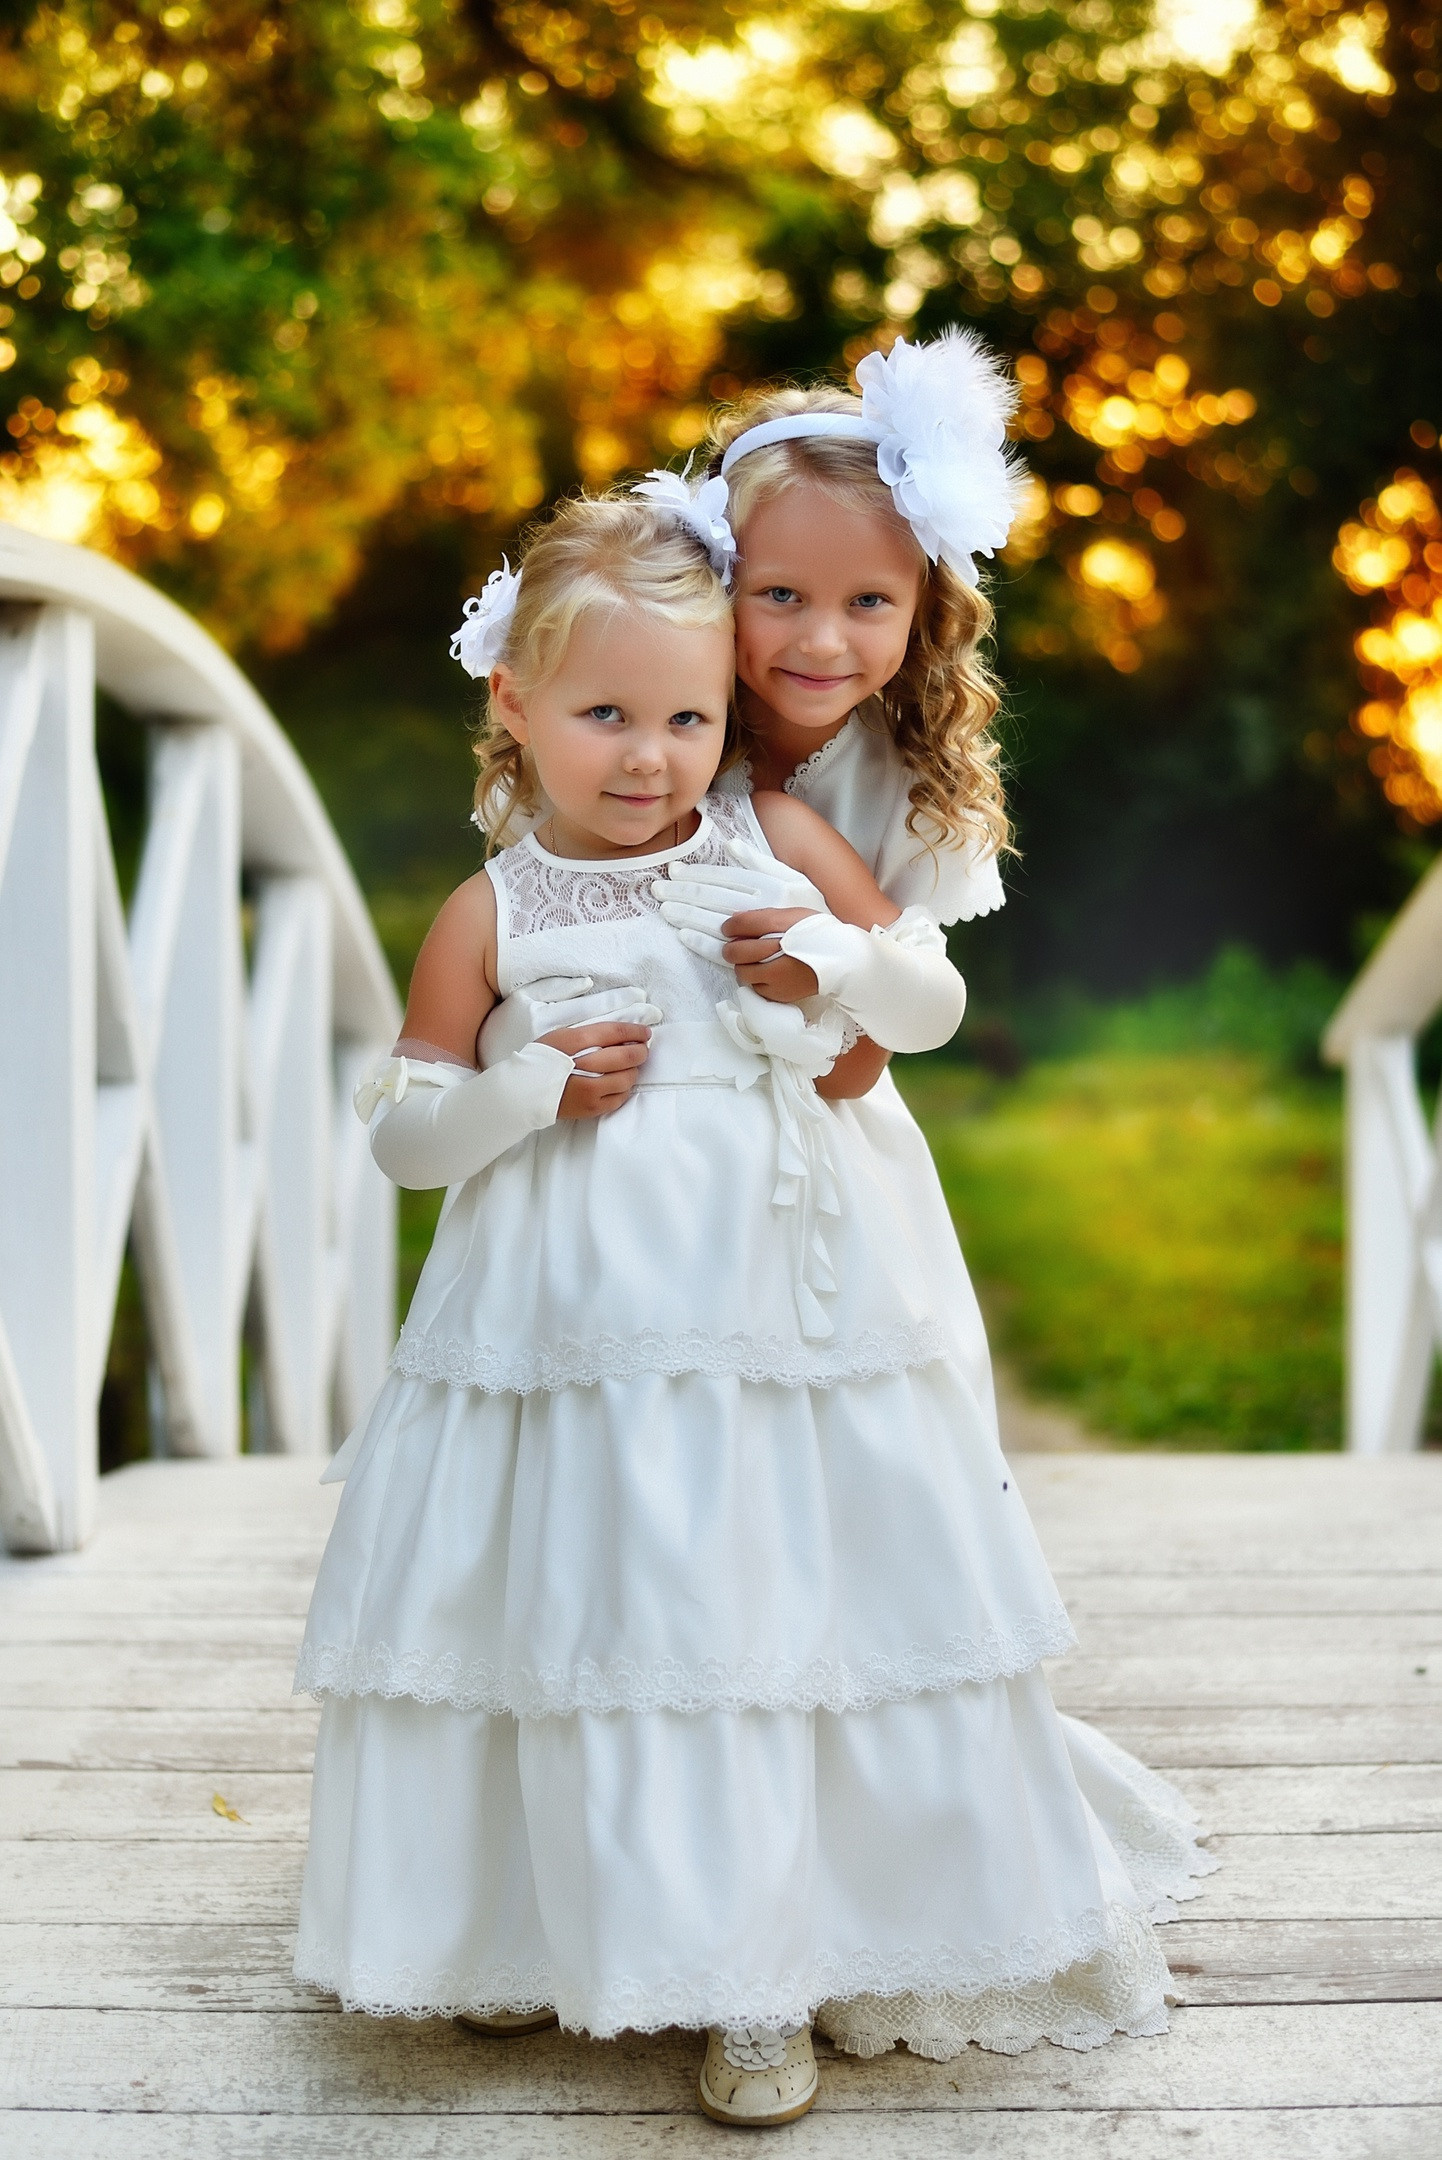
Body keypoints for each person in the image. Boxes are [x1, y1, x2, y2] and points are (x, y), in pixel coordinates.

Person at [292, 474, 1208, 2134]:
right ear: (514, 704)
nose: (650, 756)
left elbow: (925, 1003)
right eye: (605, 715)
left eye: (688, 716)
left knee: (756, 1616)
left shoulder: (766, 838)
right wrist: (520, 1093)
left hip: (777, 1323)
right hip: (565, 1337)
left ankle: (759, 1974)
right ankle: (517, 1917)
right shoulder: (489, 913)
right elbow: (406, 1141)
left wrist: (831, 962)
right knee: (568, 1612)